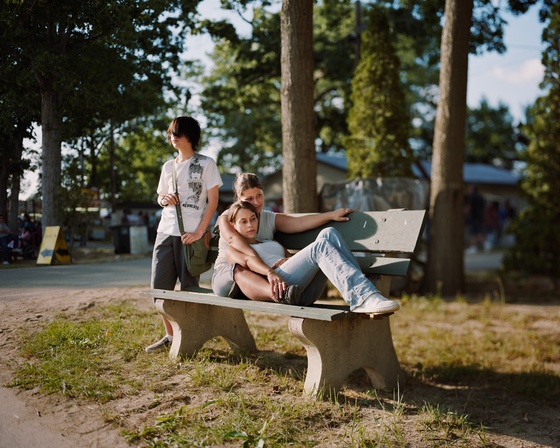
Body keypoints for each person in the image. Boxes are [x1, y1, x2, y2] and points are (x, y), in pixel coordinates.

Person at [211, 173, 398, 313]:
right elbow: (235, 243)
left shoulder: (266, 219)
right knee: (320, 247)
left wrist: (330, 215)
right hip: (275, 285)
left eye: (259, 195)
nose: (256, 202)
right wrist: (270, 270)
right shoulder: (229, 221)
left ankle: (364, 292)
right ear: (238, 200)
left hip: (297, 286)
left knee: (329, 233)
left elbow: (298, 223)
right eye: (249, 199)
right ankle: (363, 297)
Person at [146, 116, 222, 353]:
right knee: (159, 289)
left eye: (177, 132)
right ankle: (170, 336)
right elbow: (160, 196)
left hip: (191, 235)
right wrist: (163, 199)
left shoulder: (207, 163)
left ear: (190, 135)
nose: (172, 137)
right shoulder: (167, 166)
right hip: (165, 232)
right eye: (170, 133)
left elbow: (213, 203)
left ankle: (187, 336)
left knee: (189, 289)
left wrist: (200, 232)